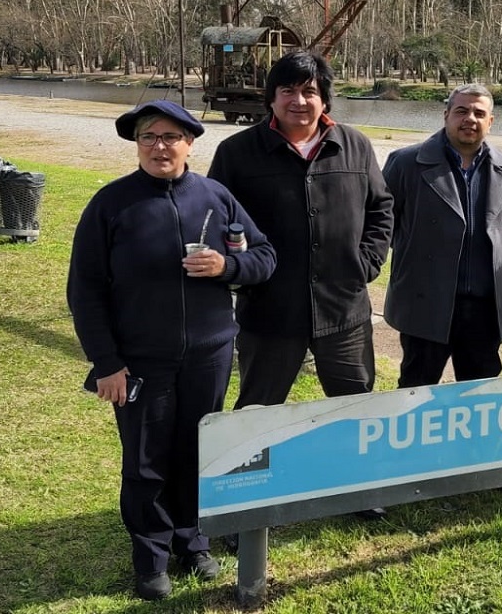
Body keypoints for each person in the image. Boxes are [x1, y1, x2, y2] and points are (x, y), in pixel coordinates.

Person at [67, 100, 276, 600]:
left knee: (198, 450)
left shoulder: (216, 197)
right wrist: (107, 364)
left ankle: (193, 542)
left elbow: (265, 257)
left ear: (190, 142)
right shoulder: (112, 204)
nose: (160, 146)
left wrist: (227, 269)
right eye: (148, 137)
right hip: (140, 360)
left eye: (170, 137)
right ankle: (151, 556)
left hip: (210, 352)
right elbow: (85, 289)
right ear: (137, 145)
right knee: (145, 461)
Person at [208, 50, 393, 406]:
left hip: (344, 313)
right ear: (271, 98)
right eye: (287, 91)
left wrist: (366, 262)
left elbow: (381, 207)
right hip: (269, 313)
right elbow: (216, 220)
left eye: (309, 91)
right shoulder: (237, 152)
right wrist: (241, 272)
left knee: (356, 413)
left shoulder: (354, 146)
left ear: (324, 99)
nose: (299, 100)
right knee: (257, 417)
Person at [382, 84, 502, 388]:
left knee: (479, 398)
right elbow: (383, 225)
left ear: (491, 122)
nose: (470, 118)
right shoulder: (406, 163)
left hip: (484, 308)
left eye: (479, 113)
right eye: (461, 110)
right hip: (426, 303)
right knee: (416, 391)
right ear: (446, 115)